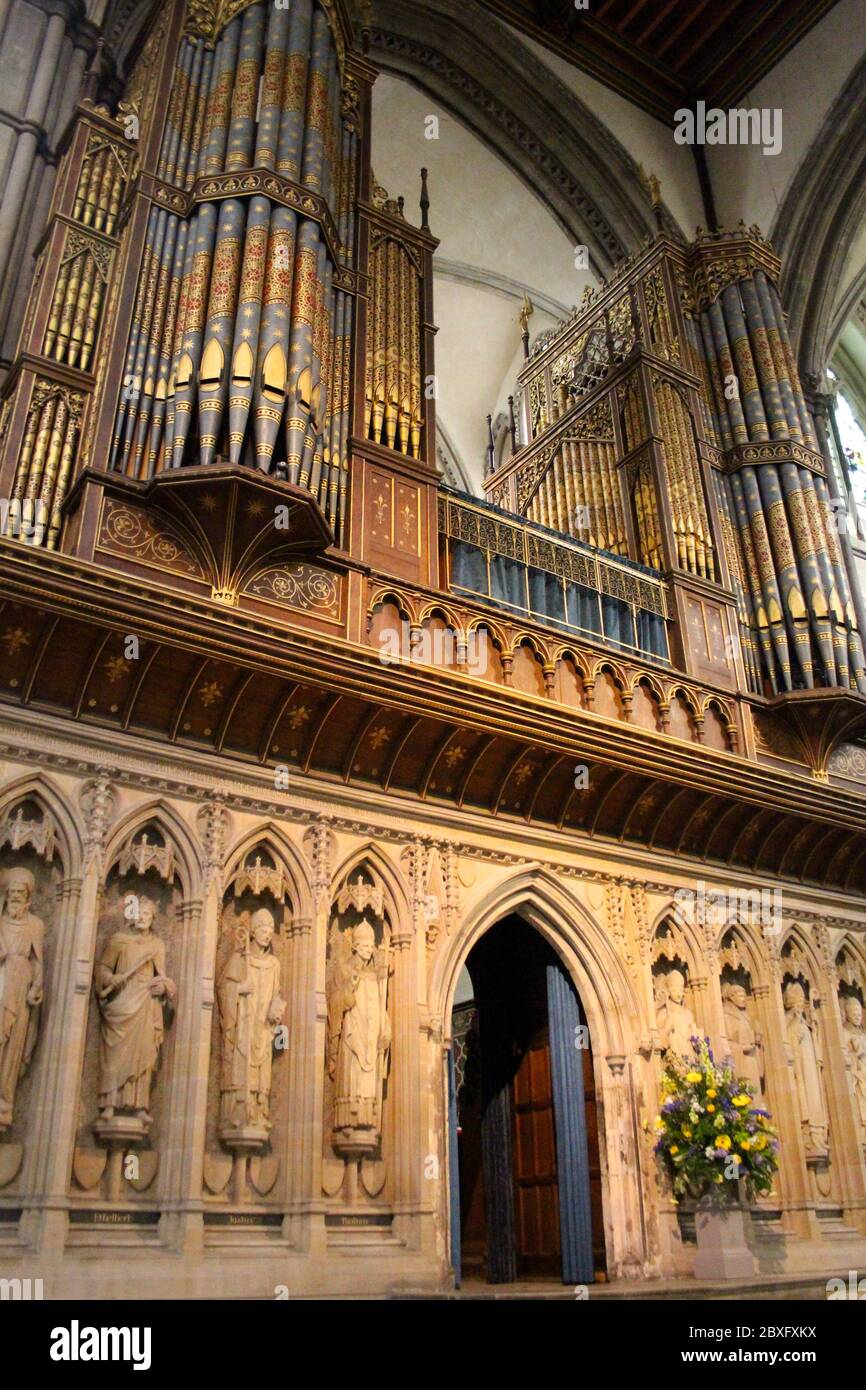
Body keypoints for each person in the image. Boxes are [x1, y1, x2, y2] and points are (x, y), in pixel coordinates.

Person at [0, 866, 44, 1130]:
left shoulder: (35, 925)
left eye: (20, 892)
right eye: (12, 891)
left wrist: (37, 986)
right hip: (2, 981)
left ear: (28, 896)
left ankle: (5, 1097)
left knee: (13, 1045)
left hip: (21, 987)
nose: (16, 896)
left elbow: (38, 961)